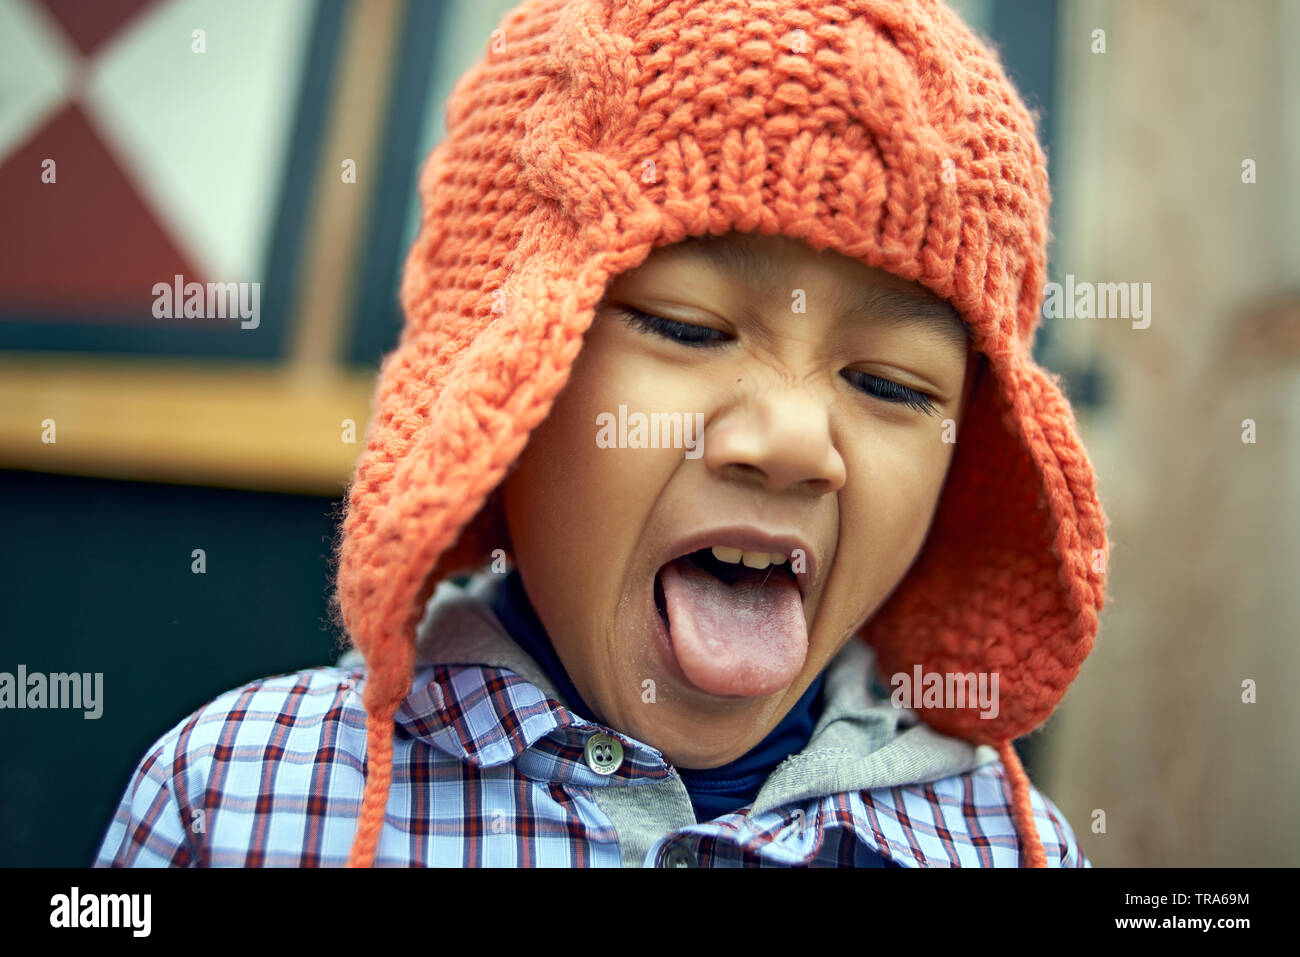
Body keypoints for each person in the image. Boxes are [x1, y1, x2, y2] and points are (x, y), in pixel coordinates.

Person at [94, 0, 1109, 867]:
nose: (796, 440)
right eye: (685, 328)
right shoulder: (237, 800)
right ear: (500, 380)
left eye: (890, 385)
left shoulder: (1004, 846)